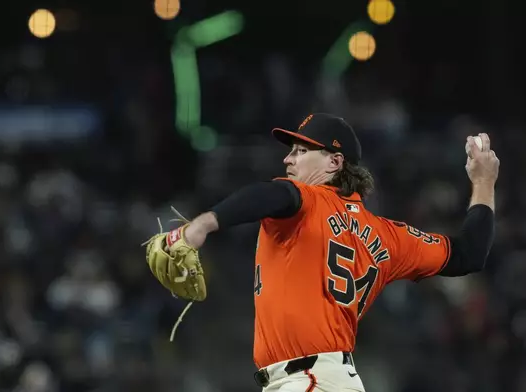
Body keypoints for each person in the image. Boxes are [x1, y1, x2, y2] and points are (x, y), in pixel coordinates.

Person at [175, 113, 499, 391]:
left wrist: (203, 224)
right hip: (326, 378)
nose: (288, 159)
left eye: (301, 151)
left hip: (309, 379)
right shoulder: (389, 236)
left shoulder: (309, 201)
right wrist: (484, 182)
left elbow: (273, 195)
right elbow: (469, 253)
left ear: (334, 161)